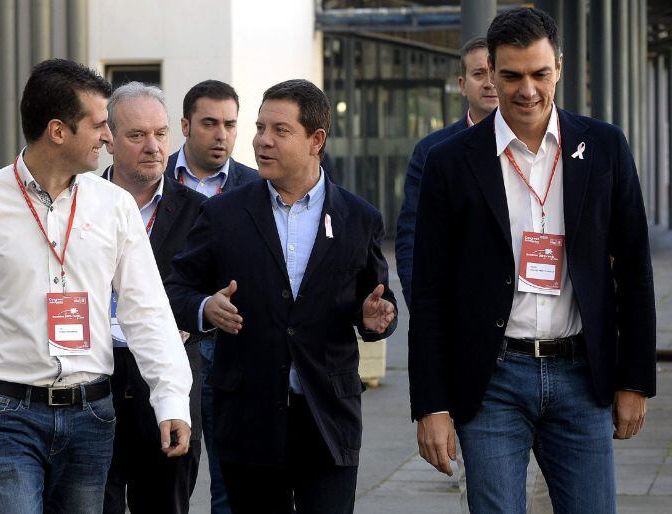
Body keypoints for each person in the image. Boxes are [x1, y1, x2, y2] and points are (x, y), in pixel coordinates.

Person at [0, 59, 192, 514]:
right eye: (100, 125)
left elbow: (148, 313)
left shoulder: (115, 207)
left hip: (92, 415)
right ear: (58, 131)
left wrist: (171, 399)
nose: (108, 136)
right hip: (7, 416)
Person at [409, 8, 656, 514]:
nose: (527, 90)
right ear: (491, 74)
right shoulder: (450, 161)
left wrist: (634, 379)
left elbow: (634, 268)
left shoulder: (604, 146)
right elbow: (430, 288)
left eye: (540, 74)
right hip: (492, 379)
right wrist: (431, 404)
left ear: (559, 68)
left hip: (581, 376)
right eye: (512, 75)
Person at [166, 79, 397, 514]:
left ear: (316, 140)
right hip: (250, 419)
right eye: (259, 128)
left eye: (279, 130)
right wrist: (203, 307)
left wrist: (375, 317)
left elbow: (378, 302)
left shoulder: (358, 218)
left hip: (328, 419)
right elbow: (175, 287)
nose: (261, 141)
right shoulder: (223, 214)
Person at [102, 82, 207, 514]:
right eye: (137, 135)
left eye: (161, 134)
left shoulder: (202, 214)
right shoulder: (76, 207)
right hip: (94, 381)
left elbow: (217, 298)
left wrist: (198, 317)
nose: (153, 146)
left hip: (169, 380)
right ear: (108, 140)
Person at [165, 79, 258, 514]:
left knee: (234, 482)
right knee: (169, 481)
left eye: (230, 124)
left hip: (234, 353)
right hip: (169, 350)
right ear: (185, 125)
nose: (222, 134)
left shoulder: (257, 187)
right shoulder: (152, 178)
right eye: (209, 123)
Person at [395, 36, 498, 310]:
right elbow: (411, 235)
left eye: (496, 72)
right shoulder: (432, 151)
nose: (489, 82)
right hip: (458, 312)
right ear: (462, 85)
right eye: (479, 74)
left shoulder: (535, 146)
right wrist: (422, 307)